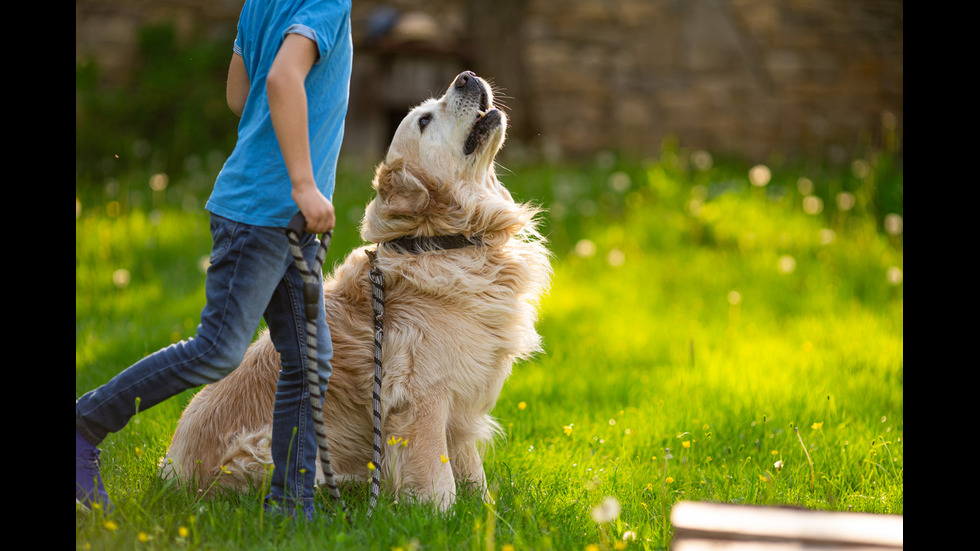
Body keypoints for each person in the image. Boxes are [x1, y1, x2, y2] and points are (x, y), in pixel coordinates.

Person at [75, 0, 353, 519]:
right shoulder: (326, 4)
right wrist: (302, 182)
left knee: (309, 359)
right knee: (217, 351)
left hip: (271, 213)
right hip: (268, 212)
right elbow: (279, 80)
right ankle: (84, 424)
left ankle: (291, 504)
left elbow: (236, 95)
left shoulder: (261, 4)